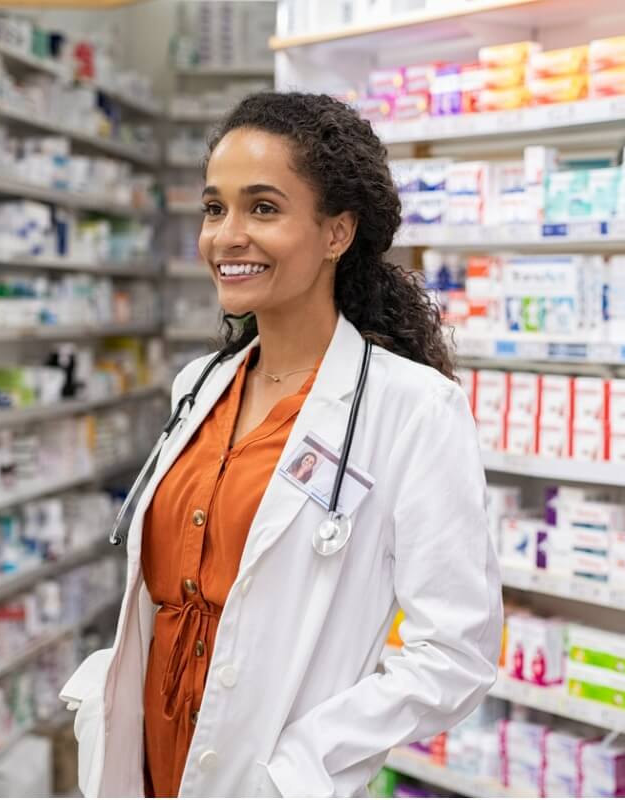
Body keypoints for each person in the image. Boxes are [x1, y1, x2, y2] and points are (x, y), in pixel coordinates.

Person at [60, 91, 502, 799]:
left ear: (337, 233)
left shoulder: (412, 411)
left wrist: (304, 763)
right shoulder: (197, 387)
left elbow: (456, 654)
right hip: (147, 765)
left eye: (262, 209)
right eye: (214, 208)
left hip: (268, 779)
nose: (226, 236)